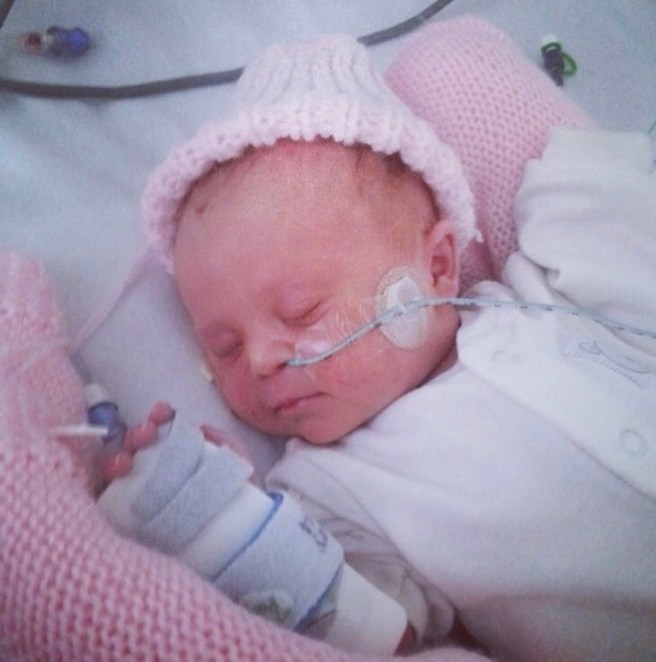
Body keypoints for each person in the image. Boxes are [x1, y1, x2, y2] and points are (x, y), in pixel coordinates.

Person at [99, 15, 656, 662]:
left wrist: (572, 169)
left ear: (438, 266)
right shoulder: (332, 492)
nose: (260, 360)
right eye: (223, 348)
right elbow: (370, 629)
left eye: (302, 312)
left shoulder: (540, 296)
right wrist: (233, 524)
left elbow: (615, 225)